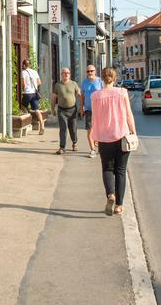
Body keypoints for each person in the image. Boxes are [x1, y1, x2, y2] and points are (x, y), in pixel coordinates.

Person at [87, 67, 137, 216]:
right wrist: (133, 131)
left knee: (107, 169)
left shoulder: (95, 96)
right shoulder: (122, 93)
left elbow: (94, 119)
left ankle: (110, 195)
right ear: (114, 79)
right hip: (121, 136)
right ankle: (119, 206)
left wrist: (94, 136)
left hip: (103, 138)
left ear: (101, 79)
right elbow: (128, 115)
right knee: (120, 171)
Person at [51, 67, 82, 154]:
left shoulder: (74, 84)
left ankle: (74, 143)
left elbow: (79, 94)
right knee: (63, 128)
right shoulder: (58, 85)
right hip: (61, 110)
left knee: (73, 128)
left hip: (72, 109)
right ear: (61, 74)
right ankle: (62, 147)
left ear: (70, 74)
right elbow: (53, 97)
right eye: (64, 73)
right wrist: (52, 108)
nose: (66, 74)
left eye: (67, 73)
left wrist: (81, 106)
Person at [80, 64, 103, 158]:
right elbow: (82, 96)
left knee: (100, 130)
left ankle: (101, 148)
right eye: (88, 71)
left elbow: (104, 93)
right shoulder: (84, 82)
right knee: (90, 130)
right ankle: (92, 150)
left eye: (91, 71)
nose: (90, 73)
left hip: (99, 109)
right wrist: (81, 107)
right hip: (88, 109)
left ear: (95, 71)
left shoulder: (99, 81)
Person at [20, 59, 43, 135]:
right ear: (29, 65)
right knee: (37, 110)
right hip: (34, 93)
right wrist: (34, 86)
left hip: (27, 93)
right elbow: (39, 82)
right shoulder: (35, 72)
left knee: (23, 107)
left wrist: (23, 90)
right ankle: (42, 125)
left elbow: (23, 84)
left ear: (23, 65)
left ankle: (27, 122)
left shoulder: (23, 72)